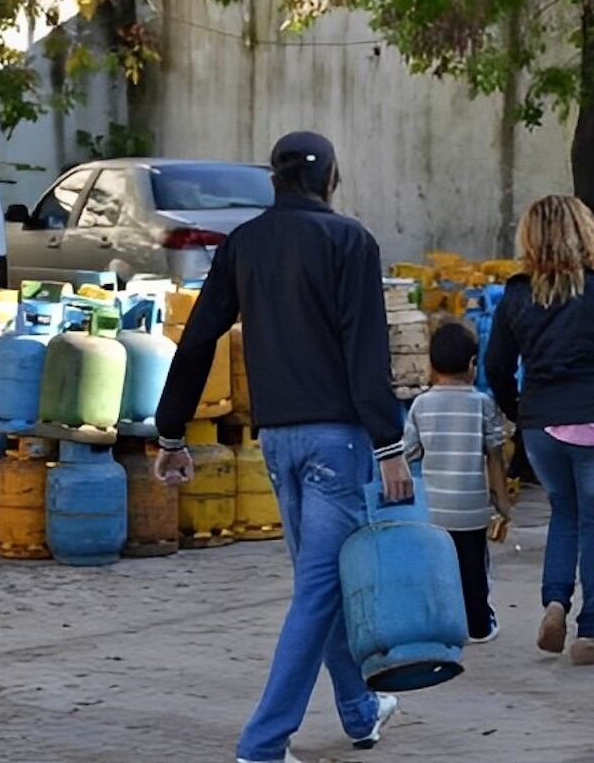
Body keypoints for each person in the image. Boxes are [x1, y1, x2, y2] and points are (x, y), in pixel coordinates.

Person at [154, 131, 412, 763]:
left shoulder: (245, 244)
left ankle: (358, 708)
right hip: (338, 444)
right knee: (319, 592)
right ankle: (263, 746)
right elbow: (365, 352)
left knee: (318, 586)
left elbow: (198, 340)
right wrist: (390, 444)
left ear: (273, 180)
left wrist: (169, 432)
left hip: (277, 443)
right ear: (331, 179)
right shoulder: (350, 241)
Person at [485, 195, 594, 666]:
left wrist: (518, 411)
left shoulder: (517, 293)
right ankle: (593, 633)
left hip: (543, 426)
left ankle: (555, 603)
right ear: (583, 234)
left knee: (563, 514)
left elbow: (496, 365)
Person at [403, 320, 511, 644]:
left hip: (434, 509)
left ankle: (440, 624)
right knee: (474, 569)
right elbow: (495, 456)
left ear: (432, 366)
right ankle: (479, 626)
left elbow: (408, 452)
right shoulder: (482, 404)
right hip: (472, 508)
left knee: (438, 569)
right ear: (472, 365)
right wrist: (501, 500)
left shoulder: (421, 405)